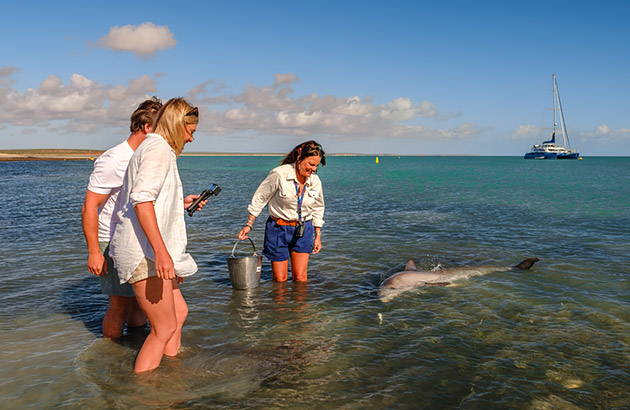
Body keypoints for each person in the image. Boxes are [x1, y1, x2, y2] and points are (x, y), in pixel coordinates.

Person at [109, 98, 203, 373]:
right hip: (143, 251)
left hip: (150, 248)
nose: (191, 138)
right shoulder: (158, 149)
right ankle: (144, 391)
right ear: (177, 125)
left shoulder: (158, 149)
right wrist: (163, 254)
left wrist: (180, 203)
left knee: (179, 313)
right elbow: (141, 201)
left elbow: (153, 201)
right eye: (191, 131)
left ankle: (170, 374)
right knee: (163, 328)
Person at [82, 97, 162, 339]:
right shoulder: (113, 159)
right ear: (147, 127)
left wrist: (182, 202)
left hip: (138, 240)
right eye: (161, 128)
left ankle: (136, 345)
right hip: (113, 241)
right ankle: (110, 356)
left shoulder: (146, 157)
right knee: (119, 304)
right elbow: (89, 207)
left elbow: (140, 201)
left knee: (140, 301)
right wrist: (95, 251)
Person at [238, 140, 325, 282]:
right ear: (299, 158)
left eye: (316, 166)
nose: (313, 169)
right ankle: (280, 304)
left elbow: (318, 207)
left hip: (304, 229)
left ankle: (300, 304)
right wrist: (249, 224)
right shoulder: (279, 174)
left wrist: (318, 235)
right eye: (310, 164)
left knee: (301, 278)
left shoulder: (315, 181)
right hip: (278, 229)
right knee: (280, 279)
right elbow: (260, 198)